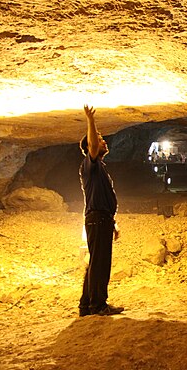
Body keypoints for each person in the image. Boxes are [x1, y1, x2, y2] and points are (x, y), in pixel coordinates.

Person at [78, 105, 124, 317]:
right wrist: (90, 121)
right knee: (100, 264)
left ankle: (87, 305)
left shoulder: (99, 168)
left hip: (101, 219)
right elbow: (93, 146)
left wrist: (112, 224)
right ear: (91, 146)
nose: (104, 141)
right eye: (100, 138)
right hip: (97, 219)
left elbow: (105, 200)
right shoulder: (90, 164)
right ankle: (98, 306)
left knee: (95, 262)